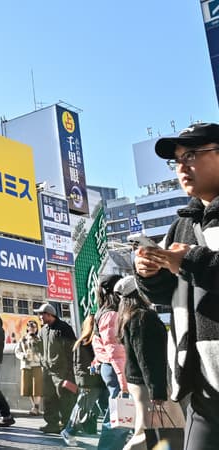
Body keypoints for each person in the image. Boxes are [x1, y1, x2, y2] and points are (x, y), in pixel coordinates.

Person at [135, 123, 219, 447]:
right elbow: (165, 296)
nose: (182, 166)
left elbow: (191, 265)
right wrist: (149, 274)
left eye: (193, 155)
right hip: (202, 389)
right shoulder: (181, 225)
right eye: (178, 160)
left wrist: (189, 260)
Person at [115, 276, 184, 449]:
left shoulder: (128, 316)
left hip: (139, 382)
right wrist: (157, 392)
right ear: (139, 292)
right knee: (169, 427)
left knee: (146, 430)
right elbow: (147, 357)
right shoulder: (143, 317)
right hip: (149, 384)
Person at [92, 274, 131, 449]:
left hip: (112, 367)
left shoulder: (104, 312)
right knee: (120, 420)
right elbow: (116, 350)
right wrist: (123, 381)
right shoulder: (111, 314)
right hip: (117, 369)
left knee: (119, 417)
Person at [60, 316, 104, 446]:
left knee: (92, 408)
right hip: (90, 382)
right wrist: (84, 384)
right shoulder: (83, 343)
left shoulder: (96, 341)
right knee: (82, 408)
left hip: (98, 381)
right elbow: (78, 366)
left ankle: (74, 430)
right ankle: (69, 431)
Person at [35, 303, 76, 434]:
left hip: (62, 371)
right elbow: (39, 349)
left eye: (42, 314)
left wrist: (69, 369)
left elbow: (72, 349)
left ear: (49, 314)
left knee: (64, 398)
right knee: (49, 398)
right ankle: (51, 424)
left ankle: (66, 424)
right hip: (47, 370)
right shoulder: (43, 330)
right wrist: (42, 361)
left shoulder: (64, 328)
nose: (39, 317)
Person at [14, 320, 43, 416]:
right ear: (27, 328)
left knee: (37, 387)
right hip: (26, 364)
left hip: (37, 364)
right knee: (28, 387)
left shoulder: (39, 339)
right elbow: (17, 351)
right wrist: (23, 356)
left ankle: (36, 407)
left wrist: (38, 357)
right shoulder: (23, 339)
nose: (32, 328)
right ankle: (34, 406)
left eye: (34, 327)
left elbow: (43, 351)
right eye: (30, 326)